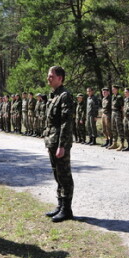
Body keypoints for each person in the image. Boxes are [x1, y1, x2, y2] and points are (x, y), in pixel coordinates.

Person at [43, 66, 75, 222]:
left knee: (64, 175)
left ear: (60, 78)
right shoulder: (53, 96)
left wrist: (62, 145)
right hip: (52, 141)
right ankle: (60, 205)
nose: (48, 78)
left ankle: (67, 209)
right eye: (49, 76)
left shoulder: (65, 96)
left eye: (51, 76)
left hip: (59, 142)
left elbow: (66, 123)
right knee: (57, 174)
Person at [108, 85, 125, 150]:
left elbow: (122, 107)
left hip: (118, 113)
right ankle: (114, 143)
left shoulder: (119, 97)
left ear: (116, 90)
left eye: (113, 89)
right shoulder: (113, 96)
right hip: (113, 112)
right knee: (113, 128)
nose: (112, 90)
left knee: (119, 128)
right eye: (112, 89)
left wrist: (122, 115)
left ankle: (122, 143)